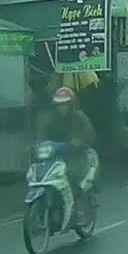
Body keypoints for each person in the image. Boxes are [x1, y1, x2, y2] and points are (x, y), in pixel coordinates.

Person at [35, 86, 97, 223]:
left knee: (72, 175)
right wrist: (38, 145)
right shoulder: (50, 119)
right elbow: (41, 135)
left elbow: (89, 134)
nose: (62, 107)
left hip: (76, 155)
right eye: (59, 105)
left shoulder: (80, 118)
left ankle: (79, 209)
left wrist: (79, 141)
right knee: (39, 175)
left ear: (71, 104)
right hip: (55, 157)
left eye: (65, 104)